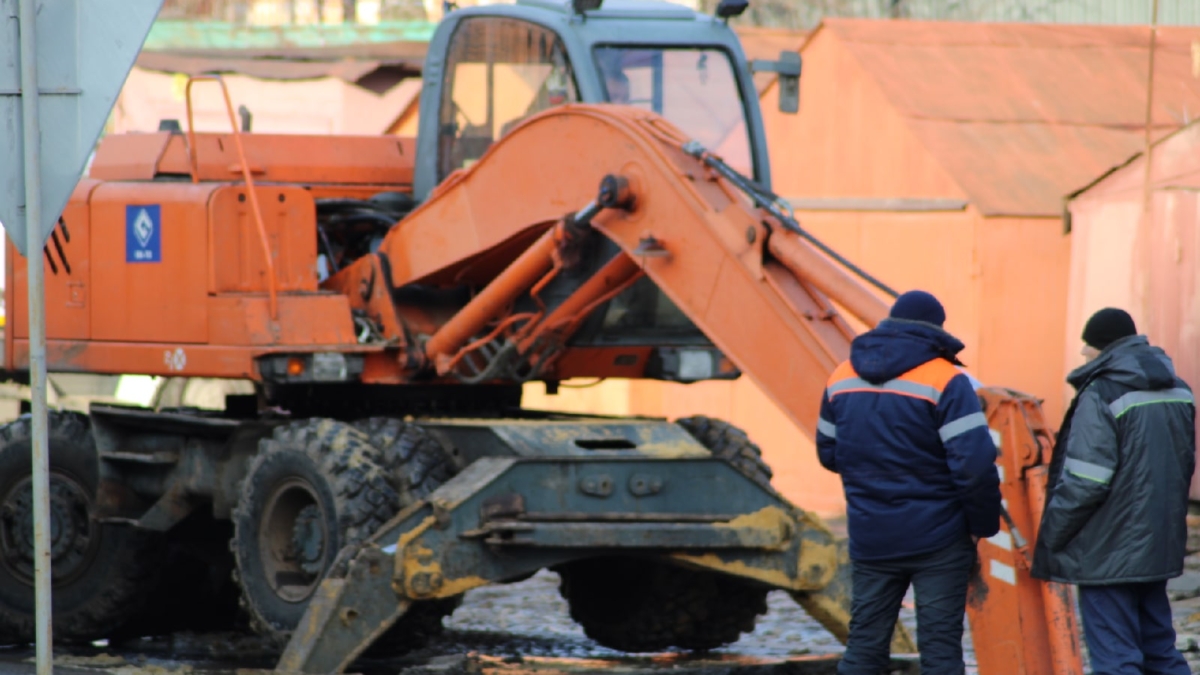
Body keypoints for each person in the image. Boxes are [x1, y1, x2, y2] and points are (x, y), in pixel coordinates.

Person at [816, 290, 1002, 675]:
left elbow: (829, 453)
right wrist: (982, 527)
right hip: (940, 541)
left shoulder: (840, 376)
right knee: (940, 652)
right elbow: (975, 466)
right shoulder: (947, 379)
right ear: (936, 330)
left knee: (864, 647)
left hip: (872, 537)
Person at [1031, 308, 1196, 675]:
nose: (1084, 356)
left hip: (1107, 552)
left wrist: (1052, 535)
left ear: (1100, 348)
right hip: (1157, 544)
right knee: (1159, 650)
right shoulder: (1178, 389)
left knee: (1115, 659)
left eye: (1087, 349)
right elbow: (1184, 464)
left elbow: (1085, 482)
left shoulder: (1101, 392)